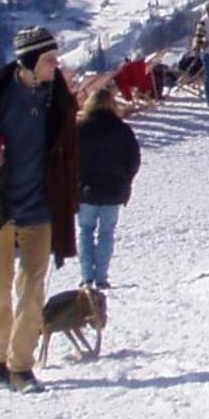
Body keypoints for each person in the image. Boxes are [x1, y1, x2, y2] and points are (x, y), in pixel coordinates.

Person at [0, 26, 80, 393]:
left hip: (39, 207)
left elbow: (69, 147)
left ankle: (21, 366)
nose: (55, 64)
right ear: (30, 62)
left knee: (32, 289)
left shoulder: (56, 97)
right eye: (49, 59)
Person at [76, 84, 141, 289]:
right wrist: (126, 180)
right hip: (114, 189)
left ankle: (87, 276)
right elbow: (134, 159)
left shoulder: (80, 129)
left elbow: (70, 158)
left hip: (86, 189)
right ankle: (102, 276)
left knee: (85, 231)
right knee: (106, 232)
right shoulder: (122, 129)